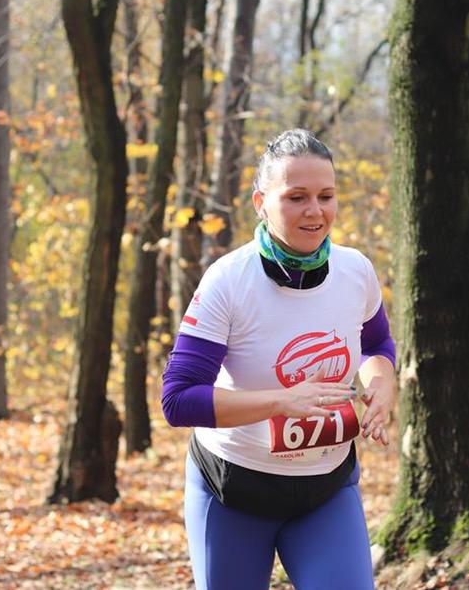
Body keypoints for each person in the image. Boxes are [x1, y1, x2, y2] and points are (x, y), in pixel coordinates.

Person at [161, 129, 397, 589]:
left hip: (326, 490)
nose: (315, 211)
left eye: (326, 196)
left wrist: (382, 383)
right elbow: (179, 400)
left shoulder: (356, 271)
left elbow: (376, 346)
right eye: (296, 197)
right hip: (234, 493)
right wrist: (280, 401)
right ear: (261, 203)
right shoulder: (229, 281)